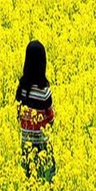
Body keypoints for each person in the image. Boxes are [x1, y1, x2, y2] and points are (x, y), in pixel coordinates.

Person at [16, 40, 55, 181]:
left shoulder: (21, 89)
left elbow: (18, 114)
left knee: (28, 177)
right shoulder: (44, 92)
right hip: (41, 143)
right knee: (48, 174)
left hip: (25, 143)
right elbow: (51, 118)